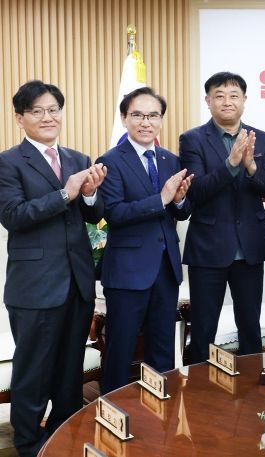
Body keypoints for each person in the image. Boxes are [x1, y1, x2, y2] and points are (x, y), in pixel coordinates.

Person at [0, 80, 106, 456]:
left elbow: (94, 214)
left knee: (69, 372)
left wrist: (90, 194)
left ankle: (65, 438)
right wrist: (66, 193)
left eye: (53, 110)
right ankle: (29, 445)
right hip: (35, 287)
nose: (48, 117)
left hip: (77, 283)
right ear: (20, 118)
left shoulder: (77, 159)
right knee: (33, 372)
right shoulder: (8, 162)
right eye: (37, 111)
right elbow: (13, 215)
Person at [96, 86, 193, 393]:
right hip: (127, 272)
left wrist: (179, 199)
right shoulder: (110, 160)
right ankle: (113, 411)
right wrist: (162, 199)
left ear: (161, 120)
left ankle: (159, 412)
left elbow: (182, 211)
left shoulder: (171, 159)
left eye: (153, 115)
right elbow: (114, 213)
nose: (145, 122)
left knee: (162, 351)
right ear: (124, 118)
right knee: (121, 350)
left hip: (165, 270)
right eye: (137, 115)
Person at [179, 72, 265, 363]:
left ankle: (251, 386)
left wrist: (251, 169)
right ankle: (200, 388)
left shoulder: (262, 139)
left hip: (250, 246)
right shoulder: (192, 139)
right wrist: (231, 164)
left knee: (250, 326)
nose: (227, 101)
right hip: (208, 247)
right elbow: (197, 191)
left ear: (244, 101)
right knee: (203, 328)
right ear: (207, 100)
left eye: (234, 96)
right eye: (219, 96)